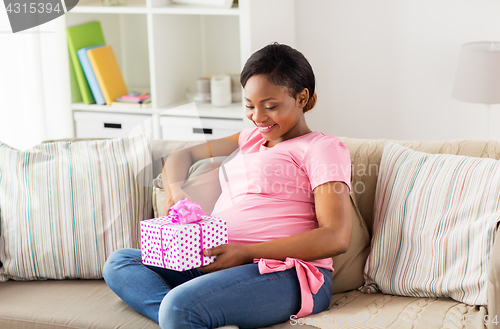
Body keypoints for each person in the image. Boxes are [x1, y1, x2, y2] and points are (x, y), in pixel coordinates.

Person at [103, 43, 352, 329]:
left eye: (270, 106)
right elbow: (181, 155)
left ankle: (188, 312)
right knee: (120, 263)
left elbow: (336, 237)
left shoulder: (322, 148)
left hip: (288, 273)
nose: (258, 117)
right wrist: (175, 190)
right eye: (249, 106)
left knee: (178, 307)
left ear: (302, 97)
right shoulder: (250, 138)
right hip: (218, 262)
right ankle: (196, 314)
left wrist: (244, 252)